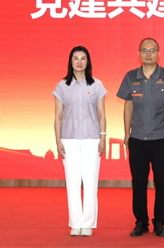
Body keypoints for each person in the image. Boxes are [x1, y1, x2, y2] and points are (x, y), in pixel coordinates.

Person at [116, 38, 164, 237]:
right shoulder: (130, 77)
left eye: (152, 50)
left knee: (161, 183)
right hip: (137, 139)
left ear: (158, 53)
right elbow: (128, 107)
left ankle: (159, 222)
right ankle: (141, 222)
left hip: (161, 138)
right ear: (139, 54)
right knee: (138, 183)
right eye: (145, 50)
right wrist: (127, 134)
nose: (148, 54)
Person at [54, 46, 107, 237]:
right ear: (70, 61)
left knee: (91, 182)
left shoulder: (96, 85)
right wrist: (58, 141)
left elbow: (101, 114)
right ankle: (75, 224)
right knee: (72, 182)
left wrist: (103, 137)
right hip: (69, 140)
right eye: (75, 58)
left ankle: (88, 224)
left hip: (92, 139)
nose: (79, 62)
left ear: (88, 61)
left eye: (83, 58)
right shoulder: (62, 86)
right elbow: (58, 116)